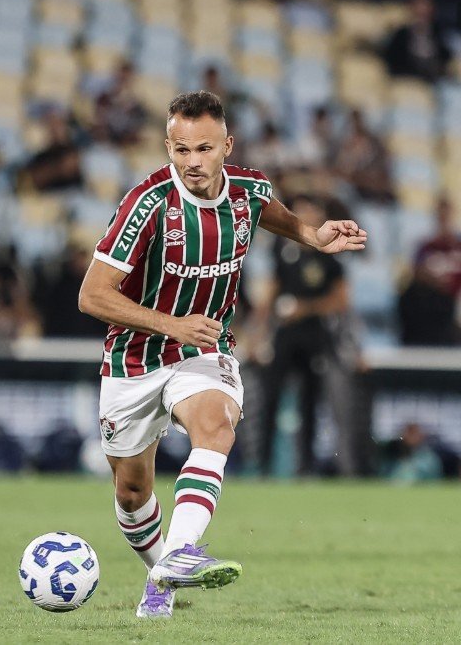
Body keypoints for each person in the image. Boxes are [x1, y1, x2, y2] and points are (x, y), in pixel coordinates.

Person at [77, 91, 367, 618]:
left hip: (204, 349)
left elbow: (271, 213)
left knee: (216, 427)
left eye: (204, 149)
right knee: (130, 489)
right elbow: (91, 295)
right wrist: (172, 325)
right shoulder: (148, 203)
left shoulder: (249, 190)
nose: (193, 162)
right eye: (181, 150)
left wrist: (312, 236)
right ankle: (159, 575)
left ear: (226, 146)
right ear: (168, 146)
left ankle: (182, 553)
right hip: (135, 356)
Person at [254, 194, 368, 477]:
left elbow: (340, 301)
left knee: (309, 401)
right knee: (270, 398)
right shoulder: (282, 251)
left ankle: (304, 467)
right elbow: (270, 295)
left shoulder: (329, 257)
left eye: (311, 210)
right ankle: (262, 466)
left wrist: (304, 308)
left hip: (316, 336)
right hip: (284, 337)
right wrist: (257, 335)